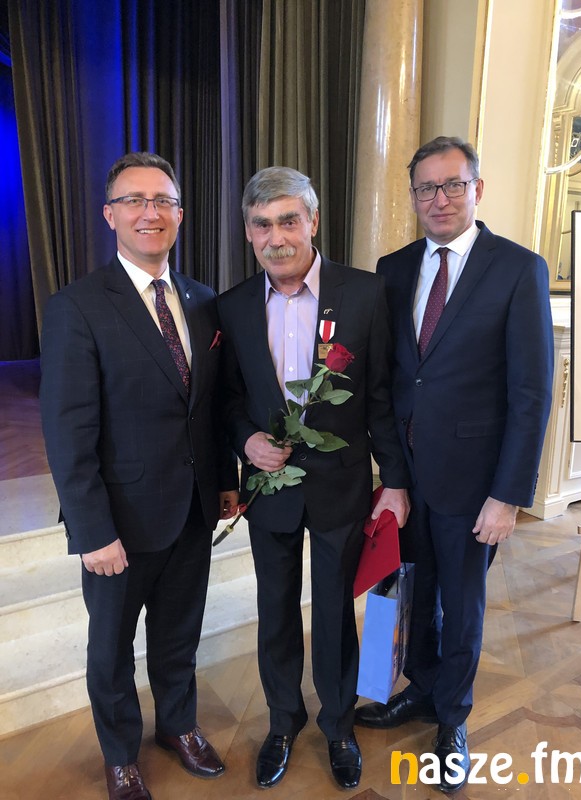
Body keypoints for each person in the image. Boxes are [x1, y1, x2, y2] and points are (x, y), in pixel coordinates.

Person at [354, 136, 554, 793]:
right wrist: (390, 474)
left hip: (474, 483)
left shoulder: (517, 269)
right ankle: (419, 687)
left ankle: (453, 719)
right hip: (406, 478)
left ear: (477, 190)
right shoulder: (392, 268)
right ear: (413, 196)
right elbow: (390, 378)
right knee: (408, 589)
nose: (439, 199)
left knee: (461, 604)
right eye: (426, 188)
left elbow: (532, 393)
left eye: (452, 185)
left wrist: (509, 495)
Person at [40, 152, 239, 800]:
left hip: (192, 509)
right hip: (119, 520)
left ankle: (178, 725)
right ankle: (121, 754)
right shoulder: (77, 307)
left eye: (163, 201)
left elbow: (212, 406)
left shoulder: (203, 302)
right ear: (109, 215)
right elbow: (68, 431)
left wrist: (226, 480)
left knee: (180, 634)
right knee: (111, 648)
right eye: (134, 200)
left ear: (180, 214)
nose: (150, 212)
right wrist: (91, 530)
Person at [217, 166, 411, 790]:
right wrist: (246, 441)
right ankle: (282, 722)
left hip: (340, 486)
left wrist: (395, 481)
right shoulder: (232, 306)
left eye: (288, 221)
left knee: (333, 613)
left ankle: (338, 726)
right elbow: (228, 399)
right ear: (249, 232)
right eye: (262, 225)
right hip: (268, 491)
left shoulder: (365, 293)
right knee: (274, 611)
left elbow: (379, 397)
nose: (276, 237)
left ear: (313, 222)